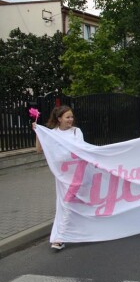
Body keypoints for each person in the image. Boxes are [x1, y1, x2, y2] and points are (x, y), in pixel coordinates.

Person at [34, 105, 84, 251]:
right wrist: (38, 133)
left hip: (77, 174)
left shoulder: (76, 132)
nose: (71, 120)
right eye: (67, 117)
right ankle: (61, 236)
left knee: (67, 204)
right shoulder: (52, 133)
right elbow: (39, 149)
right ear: (59, 119)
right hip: (62, 176)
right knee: (65, 205)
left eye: (72, 117)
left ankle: (60, 237)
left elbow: (81, 150)